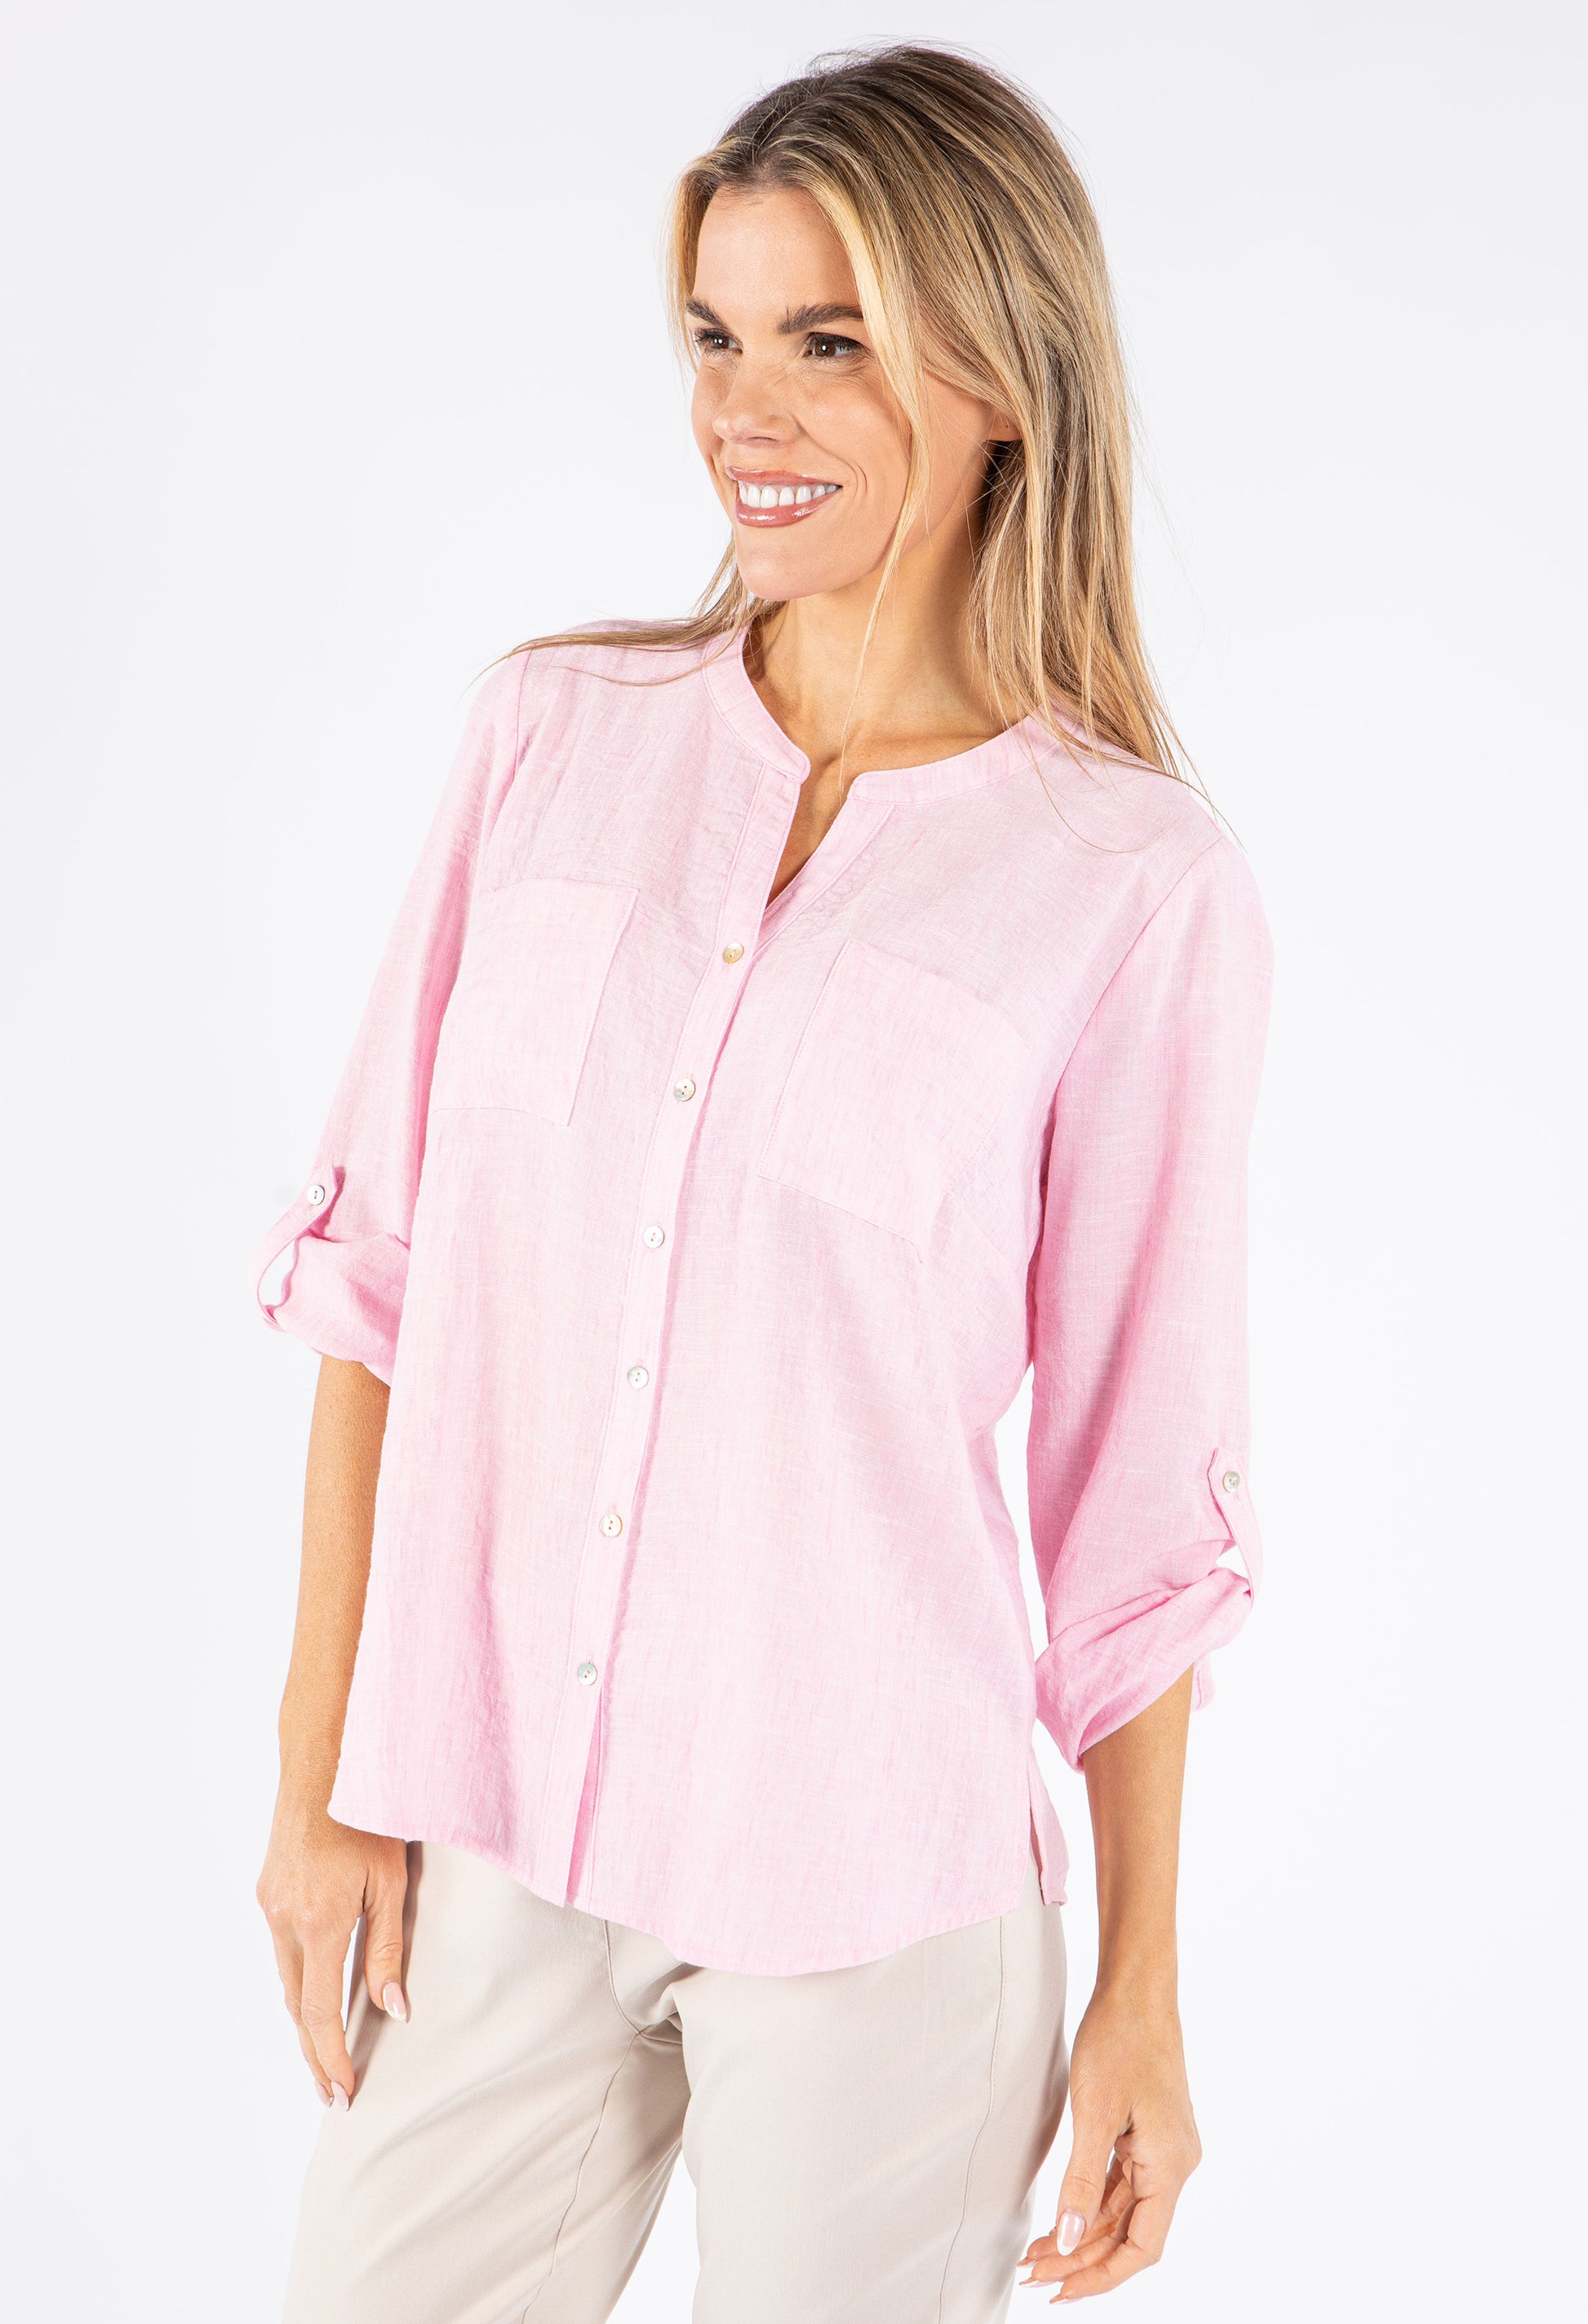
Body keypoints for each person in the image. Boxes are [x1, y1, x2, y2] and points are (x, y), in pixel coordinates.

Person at [252, 42, 1271, 2322]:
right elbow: (375, 1289)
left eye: (830, 342)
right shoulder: (548, 738)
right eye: (714, 337)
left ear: (1001, 378)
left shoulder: (1130, 885)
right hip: (490, 1820)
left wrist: (1142, 1991)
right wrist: (316, 1783)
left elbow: (1136, 1508)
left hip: (877, 1888)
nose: (746, 410)